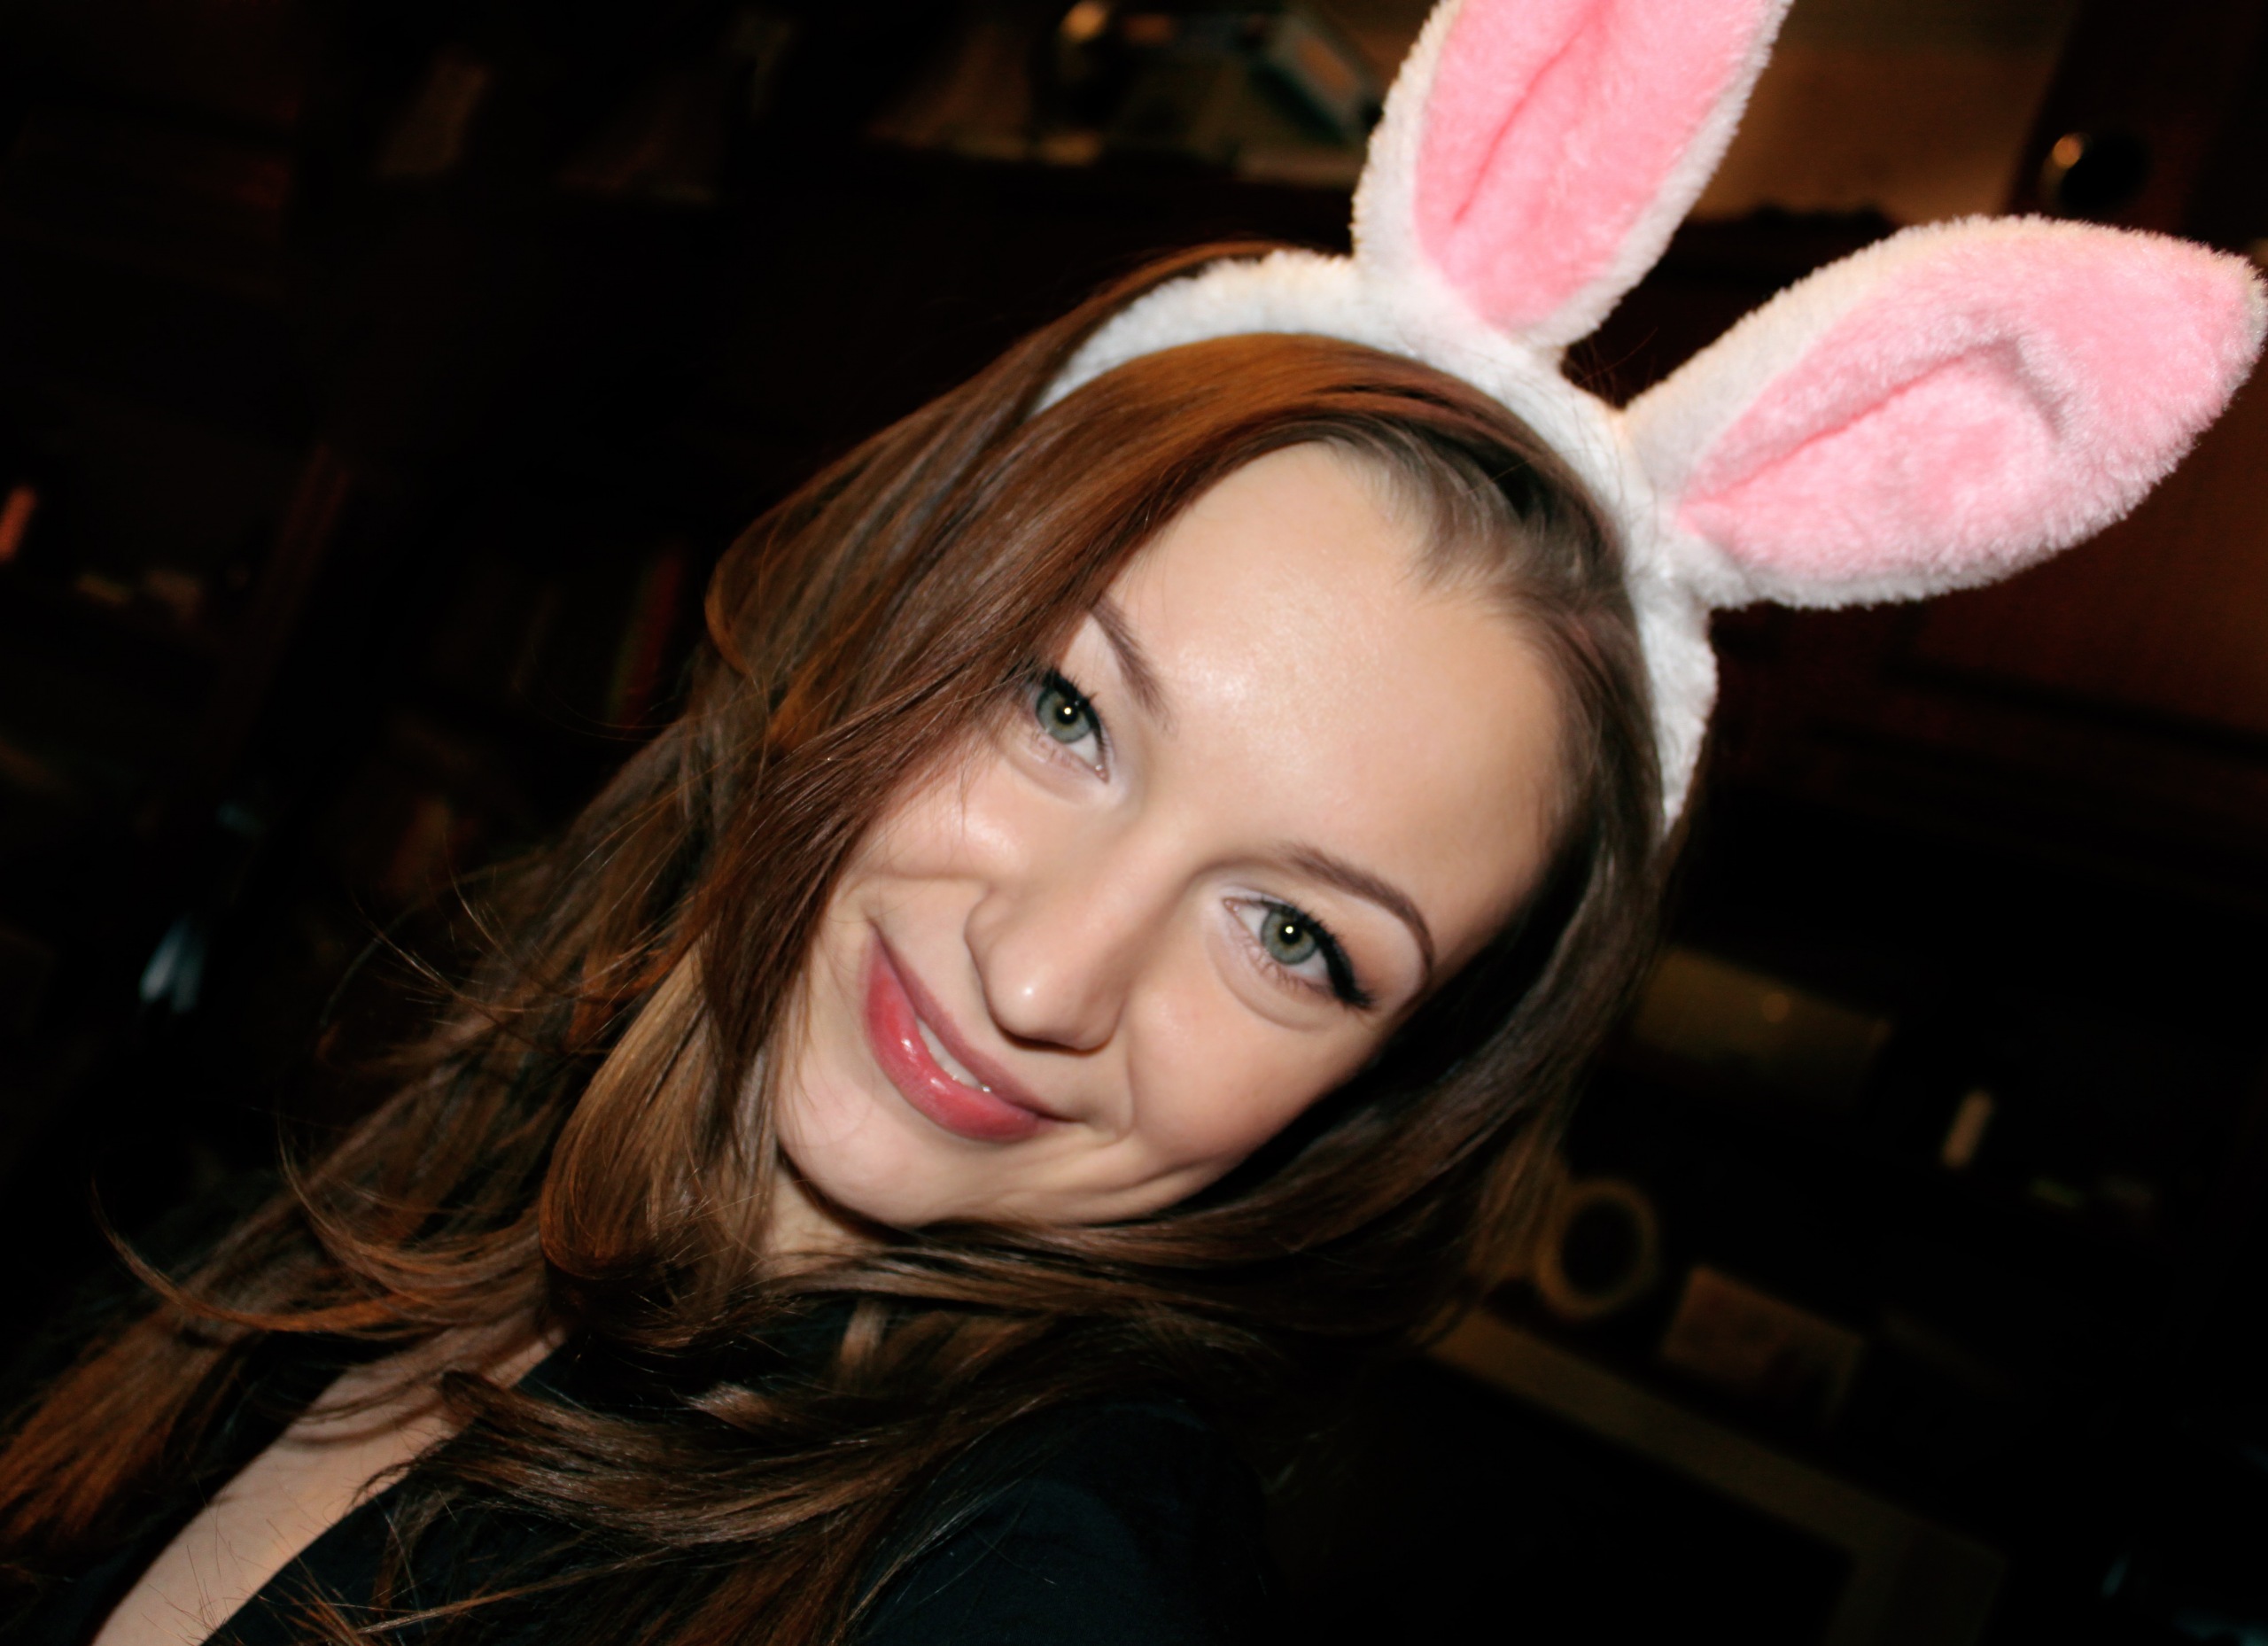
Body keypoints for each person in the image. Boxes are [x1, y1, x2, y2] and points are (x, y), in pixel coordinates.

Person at [2, 1, 2257, 1642]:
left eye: (1296, 937)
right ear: (909, 597)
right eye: (1063, 706)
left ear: (1388, 1090)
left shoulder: (1028, 1580)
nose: (1043, 973)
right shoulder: (461, 1120)